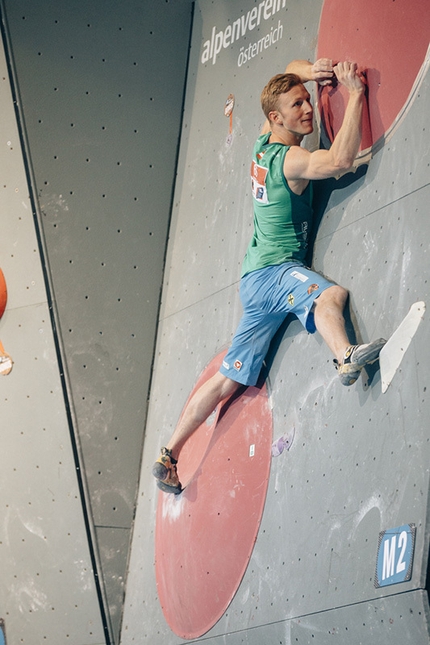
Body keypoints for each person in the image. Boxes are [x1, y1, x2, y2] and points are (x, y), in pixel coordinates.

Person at [152, 58, 386, 494]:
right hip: (277, 272)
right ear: (276, 117)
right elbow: (339, 160)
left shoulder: (263, 141)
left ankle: (168, 455)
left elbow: (285, 75)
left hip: (254, 279)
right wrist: (355, 93)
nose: (308, 110)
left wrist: (310, 71)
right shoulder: (292, 160)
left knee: (228, 378)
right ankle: (345, 357)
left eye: (306, 101)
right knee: (329, 297)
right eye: (298, 104)